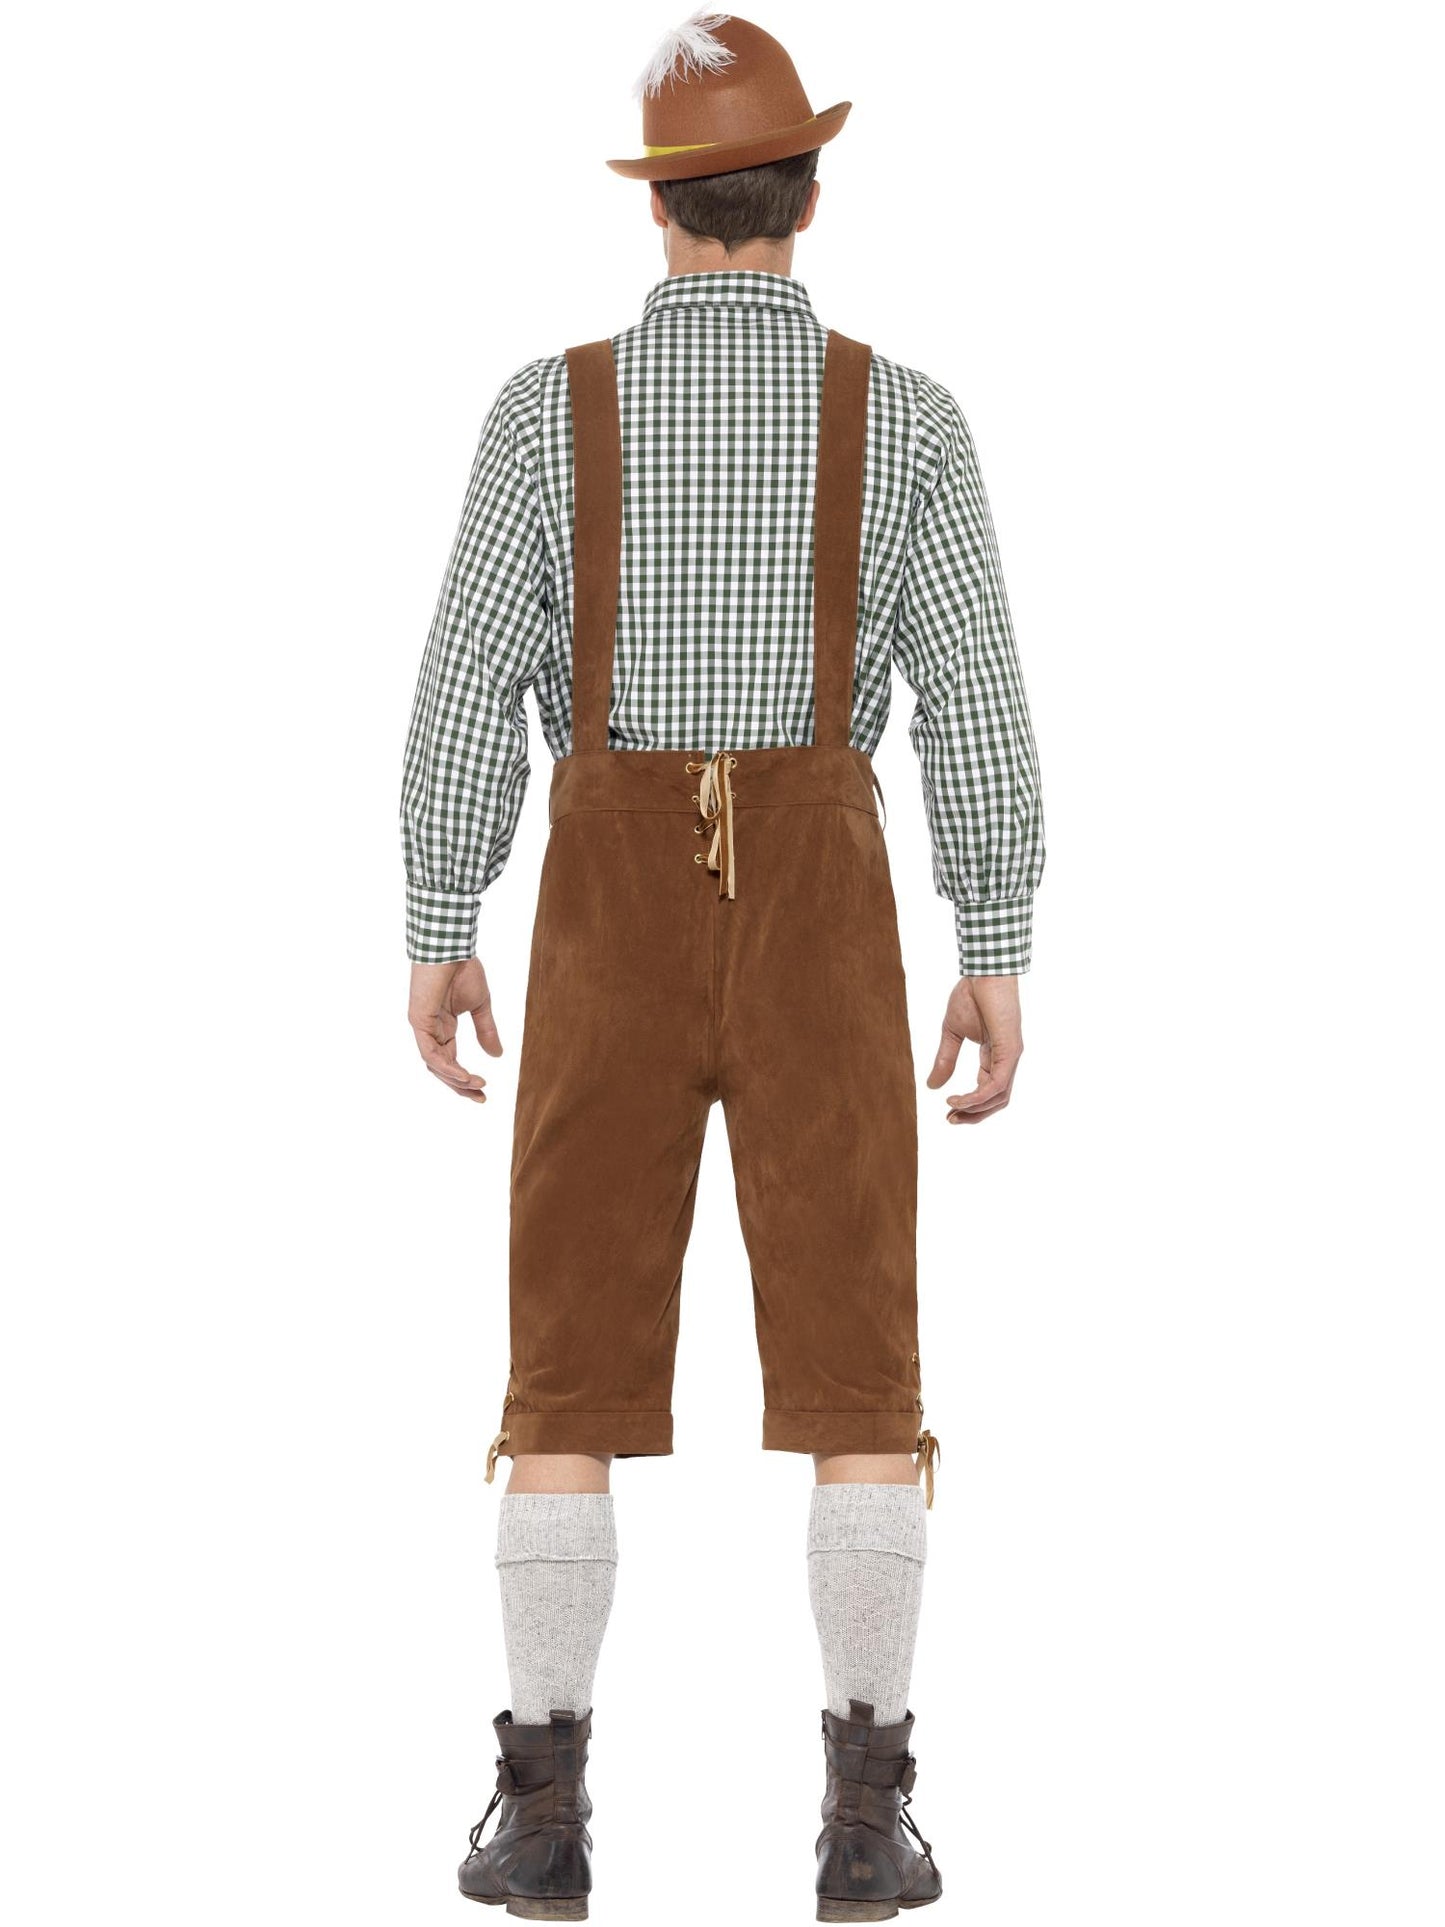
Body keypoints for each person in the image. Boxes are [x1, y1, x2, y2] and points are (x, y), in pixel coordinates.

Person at [399, 12, 1044, 1920]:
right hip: (825, 918)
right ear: (809, 196)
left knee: (565, 1368)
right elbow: (975, 703)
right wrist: (993, 941)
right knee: (859, 1363)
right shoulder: (905, 415)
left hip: (602, 914)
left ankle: (542, 1818)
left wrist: (441, 919)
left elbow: (463, 689)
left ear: (659, 206)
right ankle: (864, 1820)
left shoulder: (546, 410)